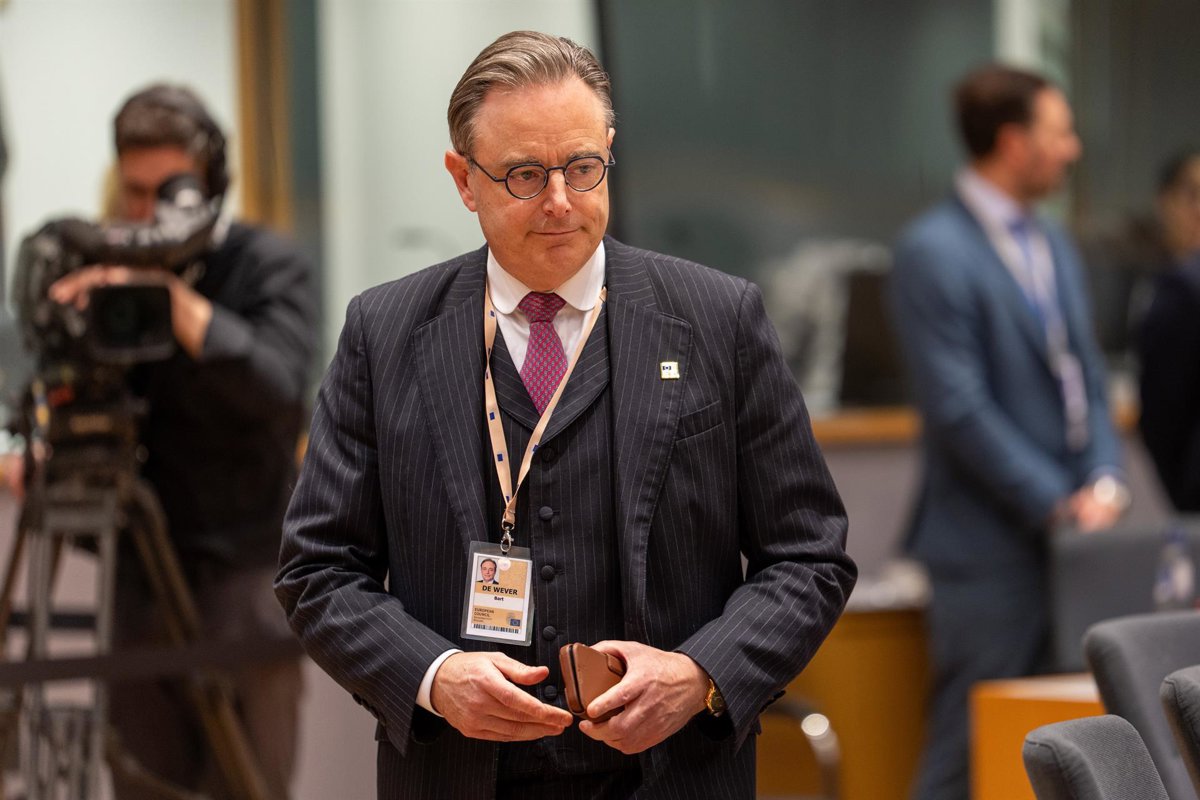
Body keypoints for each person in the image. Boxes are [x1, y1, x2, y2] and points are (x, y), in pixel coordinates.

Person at [275, 30, 856, 800]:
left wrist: (699, 674)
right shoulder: (384, 335)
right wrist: (435, 676)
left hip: (672, 776)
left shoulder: (718, 320)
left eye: (582, 168)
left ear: (609, 154)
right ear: (463, 179)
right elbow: (318, 570)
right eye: (524, 174)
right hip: (457, 777)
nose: (559, 202)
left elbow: (809, 557)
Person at [47, 84, 316, 799]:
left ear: (210, 185)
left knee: (249, 783)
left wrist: (175, 305)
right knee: (141, 782)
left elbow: (280, 390)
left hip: (246, 578)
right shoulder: (103, 272)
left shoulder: (266, 263)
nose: (146, 215)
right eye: (133, 192)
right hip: (140, 581)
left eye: (166, 194)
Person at [888, 64, 1127, 800]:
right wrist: (1058, 500)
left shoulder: (1053, 241)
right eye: (1060, 133)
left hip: (1075, 544)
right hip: (986, 551)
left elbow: (1086, 375)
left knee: (1071, 749)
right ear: (1015, 142)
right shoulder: (933, 250)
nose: (1073, 149)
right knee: (967, 755)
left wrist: (1104, 476)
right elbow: (959, 408)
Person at [1138, 149, 1200, 512]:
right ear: (1165, 201)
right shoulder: (1159, 280)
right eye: (1192, 195)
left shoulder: (1184, 287)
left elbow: (1164, 421)